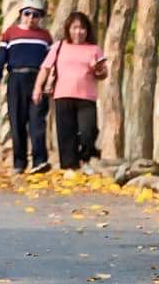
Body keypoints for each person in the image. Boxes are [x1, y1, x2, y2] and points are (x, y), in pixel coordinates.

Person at [34, 9, 107, 169]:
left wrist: (99, 70)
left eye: (82, 28)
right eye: (74, 27)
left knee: (88, 131)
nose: (78, 32)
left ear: (87, 30)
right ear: (68, 29)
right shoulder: (59, 47)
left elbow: (103, 74)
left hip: (87, 97)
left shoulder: (94, 49)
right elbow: (45, 68)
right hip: (63, 95)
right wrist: (38, 87)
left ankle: (86, 157)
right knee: (66, 133)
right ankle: (69, 167)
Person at [0, 0, 54, 174]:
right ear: (21, 14)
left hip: (37, 79)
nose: (31, 18)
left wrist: (49, 82)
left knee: (37, 122)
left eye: (36, 15)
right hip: (16, 79)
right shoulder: (10, 33)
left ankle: (40, 160)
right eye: (27, 14)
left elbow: (50, 62)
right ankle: (19, 163)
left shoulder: (45, 36)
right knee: (17, 121)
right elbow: (1, 59)